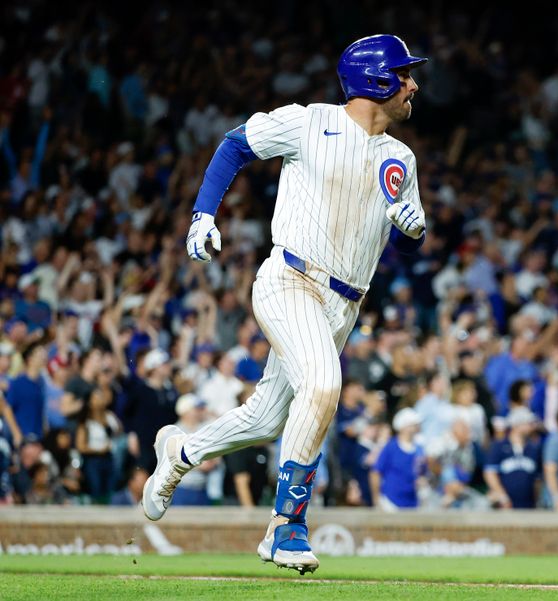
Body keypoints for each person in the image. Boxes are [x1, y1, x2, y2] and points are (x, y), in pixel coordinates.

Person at [141, 34, 428, 574]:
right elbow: (235, 144)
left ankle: (179, 454)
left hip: (344, 306)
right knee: (323, 385)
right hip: (291, 279)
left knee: (268, 418)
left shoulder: (401, 156)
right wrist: (204, 214)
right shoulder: (310, 120)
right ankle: (286, 526)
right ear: (377, 80)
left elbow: (407, 225)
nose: (412, 84)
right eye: (404, 73)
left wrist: (414, 226)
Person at [483, 407, 542, 509]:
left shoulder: (533, 448)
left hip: (528, 505)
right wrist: (502, 496)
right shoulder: (500, 446)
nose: (531, 426)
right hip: (505, 505)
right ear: (517, 425)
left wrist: (537, 501)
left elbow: (537, 480)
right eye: (527, 423)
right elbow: (490, 473)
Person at [369, 407, 426, 511]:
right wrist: (376, 499)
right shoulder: (391, 447)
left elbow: (422, 474)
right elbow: (375, 473)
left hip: (412, 503)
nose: (416, 428)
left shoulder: (419, 449)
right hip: (391, 502)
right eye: (413, 425)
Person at [75, 385, 121, 504]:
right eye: (96, 397)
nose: (101, 399)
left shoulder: (110, 416)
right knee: (96, 491)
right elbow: (80, 446)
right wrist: (98, 450)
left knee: (110, 491)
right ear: (90, 402)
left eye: (101, 396)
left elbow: (119, 431)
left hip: (110, 458)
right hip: (94, 460)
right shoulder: (86, 422)